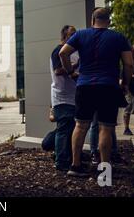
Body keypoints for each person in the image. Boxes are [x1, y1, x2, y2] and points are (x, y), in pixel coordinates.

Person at [59, 8, 134, 177]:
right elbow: (129, 64)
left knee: (80, 125)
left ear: (93, 19)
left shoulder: (81, 35)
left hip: (85, 86)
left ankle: (75, 166)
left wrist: (70, 72)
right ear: (108, 20)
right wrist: (125, 84)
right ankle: (105, 172)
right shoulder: (118, 37)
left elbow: (63, 53)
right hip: (108, 86)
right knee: (105, 128)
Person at [50, 25, 79, 171]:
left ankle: (65, 156)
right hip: (62, 97)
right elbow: (58, 71)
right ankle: (61, 162)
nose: (74, 36)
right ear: (64, 36)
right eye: (72, 34)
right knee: (63, 130)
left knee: (69, 129)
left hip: (73, 96)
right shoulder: (59, 50)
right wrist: (74, 67)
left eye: (76, 34)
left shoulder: (74, 51)